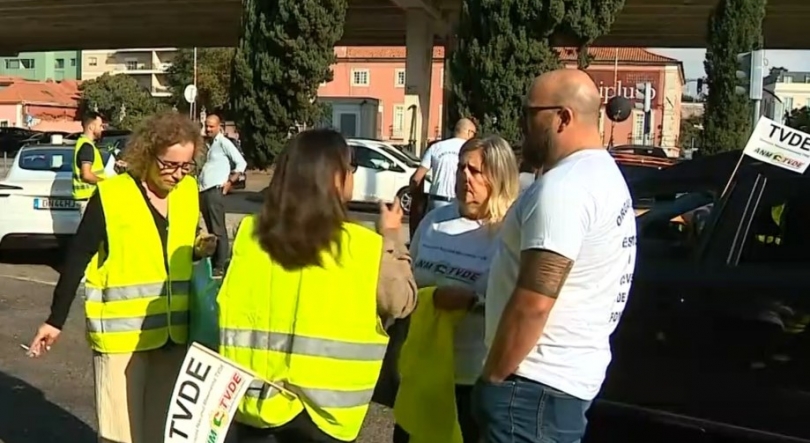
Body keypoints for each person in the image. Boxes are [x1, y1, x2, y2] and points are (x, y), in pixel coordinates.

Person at [26, 112, 217, 443]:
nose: (178, 174)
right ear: (146, 154)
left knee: (163, 433)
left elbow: (175, 250)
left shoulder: (188, 192)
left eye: (186, 166)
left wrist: (199, 249)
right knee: (120, 436)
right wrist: (55, 320)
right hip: (121, 342)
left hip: (173, 336)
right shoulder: (112, 195)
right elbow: (77, 258)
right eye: (170, 165)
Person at [219, 129, 417, 443]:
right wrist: (391, 236)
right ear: (336, 177)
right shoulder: (363, 248)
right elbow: (402, 300)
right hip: (324, 419)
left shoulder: (249, 234)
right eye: (350, 169)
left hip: (252, 408)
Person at [475, 69, 637, 442]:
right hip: (559, 382)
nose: (522, 125)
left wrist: (494, 377)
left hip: (530, 386)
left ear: (563, 117)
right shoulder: (603, 176)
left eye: (530, 113)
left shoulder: (564, 189)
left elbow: (534, 302)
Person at [393, 135, 520, 443]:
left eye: (476, 171)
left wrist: (472, 302)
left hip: (472, 377)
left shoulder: (509, 232)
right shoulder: (435, 222)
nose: (465, 177)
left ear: (498, 175)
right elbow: (410, 279)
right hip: (424, 372)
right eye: (461, 167)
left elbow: (515, 303)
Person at [199, 113, 247, 276]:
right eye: (206, 125)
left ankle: (220, 265)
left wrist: (229, 182)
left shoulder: (224, 143)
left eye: (211, 126)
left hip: (215, 190)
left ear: (219, 127)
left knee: (218, 229)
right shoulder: (210, 145)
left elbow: (241, 163)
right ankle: (213, 262)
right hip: (205, 191)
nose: (208, 129)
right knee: (211, 229)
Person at [410, 118, 477, 212]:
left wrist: (417, 199)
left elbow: (416, 178)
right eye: (474, 134)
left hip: (435, 200)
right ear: (469, 132)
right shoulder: (470, 150)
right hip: (456, 201)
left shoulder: (436, 147)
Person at [72, 111, 106, 209]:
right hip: (88, 198)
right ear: (91, 127)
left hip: (87, 198)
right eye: (100, 126)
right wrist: (105, 182)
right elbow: (86, 175)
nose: (102, 129)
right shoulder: (87, 146)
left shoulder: (83, 143)